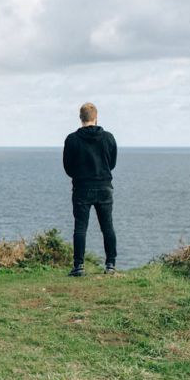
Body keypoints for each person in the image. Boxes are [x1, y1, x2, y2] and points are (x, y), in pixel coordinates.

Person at [62, 102, 118, 277]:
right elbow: (112, 164)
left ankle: (78, 266)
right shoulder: (109, 138)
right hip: (104, 187)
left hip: (82, 188)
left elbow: (68, 168)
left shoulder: (72, 139)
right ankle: (110, 265)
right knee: (107, 227)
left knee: (80, 228)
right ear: (96, 117)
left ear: (81, 118)